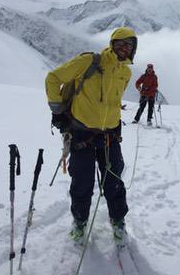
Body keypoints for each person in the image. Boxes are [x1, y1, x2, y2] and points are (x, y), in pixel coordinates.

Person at [45, 27, 137, 246]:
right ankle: (79, 221)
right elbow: (53, 77)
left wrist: (114, 121)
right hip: (82, 131)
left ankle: (118, 219)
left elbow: (112, 100)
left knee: (113, 179)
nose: (124, 49)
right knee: (82, 180)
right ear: (112, 43)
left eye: (129, 46)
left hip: (110, 133)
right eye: (120, 43)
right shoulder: (89, 62)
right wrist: (57, 110)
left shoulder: (126, 72)